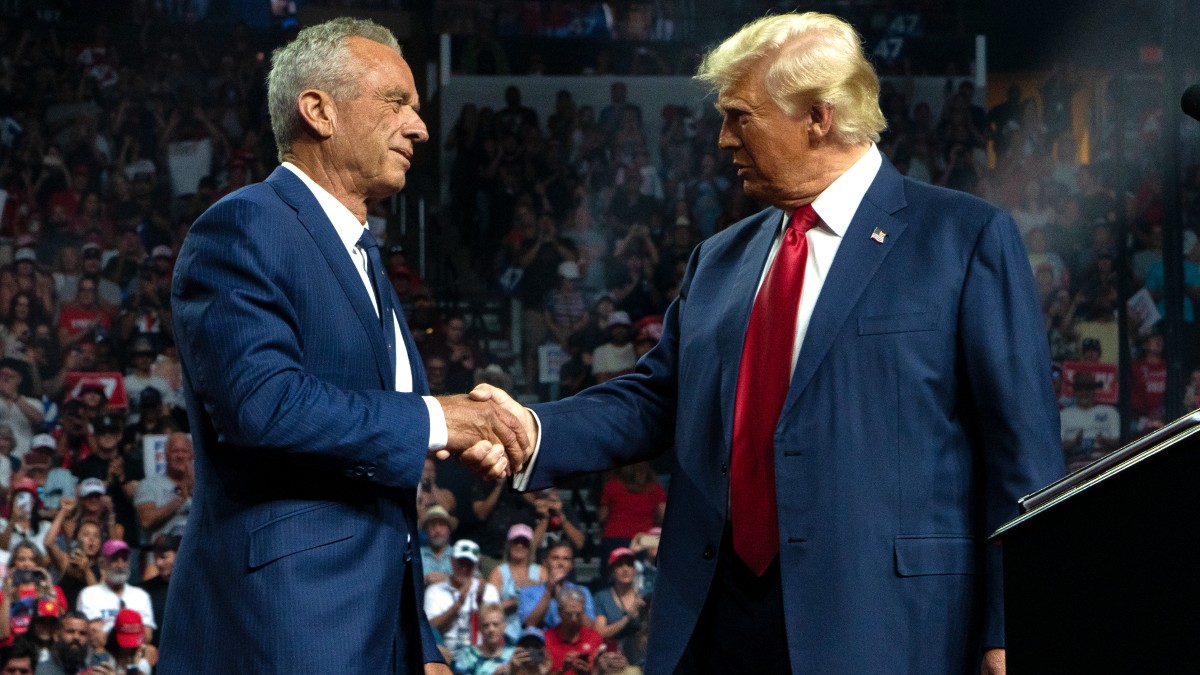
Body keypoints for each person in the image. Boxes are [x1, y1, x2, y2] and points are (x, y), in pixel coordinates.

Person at [476, 12, 1063, 674]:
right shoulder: (720, 259)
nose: (723, 139)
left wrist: (1012, 624)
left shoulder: (963, 238)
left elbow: (1023, 454)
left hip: (888, 624)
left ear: (818, 116)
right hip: (721, 620)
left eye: (739, 116)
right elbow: (653, 399)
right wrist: (532, 428)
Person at [160, 18, 527, 674]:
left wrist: (418, 641)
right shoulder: (246, 225)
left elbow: (373, 482)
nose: (419, 126)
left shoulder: (362, 256)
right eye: (398, 102)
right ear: (318, 109)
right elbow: (264, 405)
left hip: (374, 634)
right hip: (281, 628)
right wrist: (442, 419)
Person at [423, 540, 500, 658]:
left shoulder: (487, 590)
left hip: (480, 656)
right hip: (447, 655)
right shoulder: (434, 591)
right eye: (461, 562)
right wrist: (458, 605)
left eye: (469, 564)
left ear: (476, 565)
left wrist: (480, 604)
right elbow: (430, 630)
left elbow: (495, 630)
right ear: (452, 561)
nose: (464, 568)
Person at [75, 540, 153, 637]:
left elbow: (147, 635)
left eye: (124, 559)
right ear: (102, 563)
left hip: (135, 650)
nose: (120, 565)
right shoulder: (89, 594)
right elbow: (95, 635)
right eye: (115, 559)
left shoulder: (141, 596)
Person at [486, 524, 542, 643]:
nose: (520, 545)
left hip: (535, 633)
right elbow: (490, 608)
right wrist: (519, 600)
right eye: (516, 541)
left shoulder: (541, 572)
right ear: (509, 544)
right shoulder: (498, 572)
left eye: (524, 542)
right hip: (506, 634)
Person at [517, 543, 594, 630]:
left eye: (566, 559)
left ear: (571, 565)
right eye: (555, 558)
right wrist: (549, 590)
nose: (560, 563)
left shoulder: (582, 591)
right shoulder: (528, 591)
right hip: (541, 641)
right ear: (545, 562)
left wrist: (560, 596)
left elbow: (589, 626)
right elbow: (529, 624)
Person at [541, 588, 603, 675]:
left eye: (578, 614)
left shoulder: (594, 637)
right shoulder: (546, 639)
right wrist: (563, 670)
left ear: (584, 612)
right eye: (569, 614)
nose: (574, 619)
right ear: (559, 612)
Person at [450, 603, 512, 675]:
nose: (491, 629)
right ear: (480, 629)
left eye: (495, 625)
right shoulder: (467, 655)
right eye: (486, 625)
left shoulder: (512, 655)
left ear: (503, 627)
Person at [34, 611, 90, 675]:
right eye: (70, 632)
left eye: (82, 633)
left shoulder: (94, 669)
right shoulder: (42, 671)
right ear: (56, 636)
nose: (76, 637)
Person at [419, 505, 457, 585]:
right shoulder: (416, 555)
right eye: (433, 525)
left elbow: (476, 582)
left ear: (449, 530)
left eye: (442, 524)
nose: (437, 530)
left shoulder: (459, 555)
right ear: (426, 530)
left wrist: (448, 579)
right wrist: (424, 579)